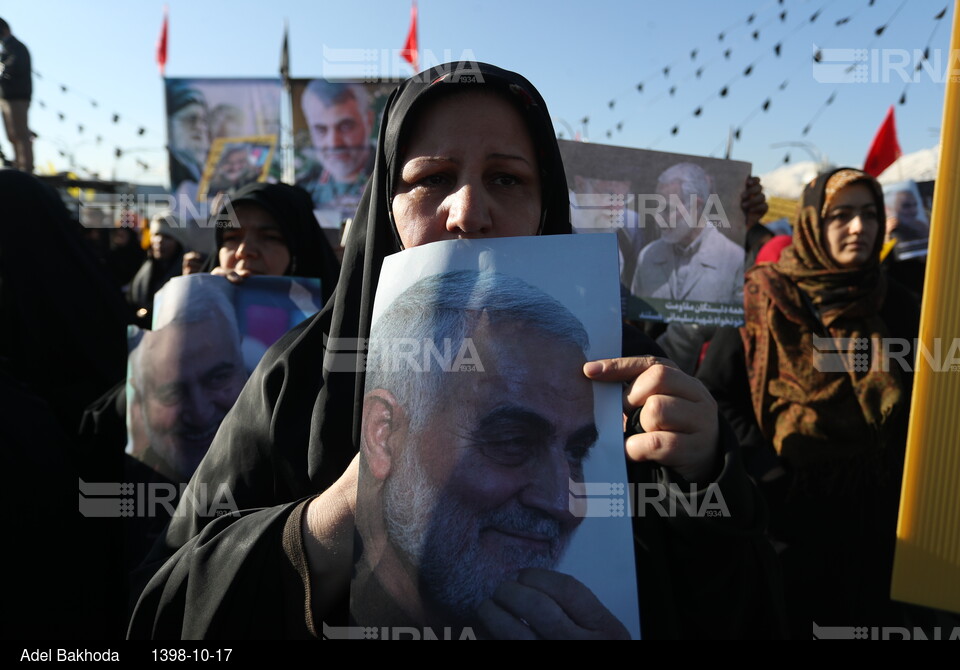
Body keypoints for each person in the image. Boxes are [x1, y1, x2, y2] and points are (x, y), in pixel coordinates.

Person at [131, 62, 780, 640]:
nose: (468, 211)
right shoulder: (297, 378)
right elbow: (166, 603)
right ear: (386, 204)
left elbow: (735, 608)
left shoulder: (629, 383)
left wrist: (707, 482)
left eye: (506, 178)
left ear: (544, 201)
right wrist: (333, 520)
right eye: (433, 178)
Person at [699, 168, 920, 637]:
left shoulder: (898, 304)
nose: (858, 228)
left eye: (868, 215)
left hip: (882, 534)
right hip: (790, 528)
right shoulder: (764, 299)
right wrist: (766, 470)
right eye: (841, 215)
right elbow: (715, 392)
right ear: (812, 223)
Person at [352, 270, 627, 635]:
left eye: (577, 452)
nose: (564, 503)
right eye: (512, 442)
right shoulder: (273, 604)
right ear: (383, 435)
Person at [128, 283, 248, 483]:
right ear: (139, 397)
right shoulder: (120, 488)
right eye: (172, 392)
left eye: (218, 378)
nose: (200, 415)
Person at [182, 182, 341, 305]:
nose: (244, 251)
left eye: (270, 237)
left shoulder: (343, 329)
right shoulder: (199, 306)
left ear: (299, 252)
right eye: (232, 237)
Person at [630, 162, 745, 305]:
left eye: (668, 209)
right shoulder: (648, 256)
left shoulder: (734, 259)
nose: (658, 218)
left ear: (696, 206)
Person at [297, 80, 375, 219]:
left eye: (345, 126)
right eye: (321, 130)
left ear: (368, 121)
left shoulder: (394, 180)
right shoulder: (303, 189)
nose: (334, 143)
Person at [128, 211, 189, 328]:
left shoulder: (186, 274)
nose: (159, 241)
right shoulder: (144, 269)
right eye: (156, 235)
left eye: (167, 237)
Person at [0, 18, 31, 173]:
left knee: (21, 134)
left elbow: (15, 66)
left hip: (17, 96)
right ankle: (18, 167)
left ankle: (26, 169)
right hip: (6, 97)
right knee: (12, 136)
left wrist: (2, 71)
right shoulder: (6, 49)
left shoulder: (17, 47)